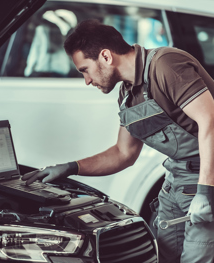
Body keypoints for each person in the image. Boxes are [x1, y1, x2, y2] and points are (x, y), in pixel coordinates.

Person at [22, 19, 214, 262]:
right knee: (162, 256)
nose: (87, 81)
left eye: (85, 70)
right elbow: (123, 153)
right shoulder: (127, 94)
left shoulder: (165, 64)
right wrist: (69, 168)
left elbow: (210, 120)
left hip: (206, 177)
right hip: (176, 181)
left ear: (105, 56)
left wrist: (206, 192)